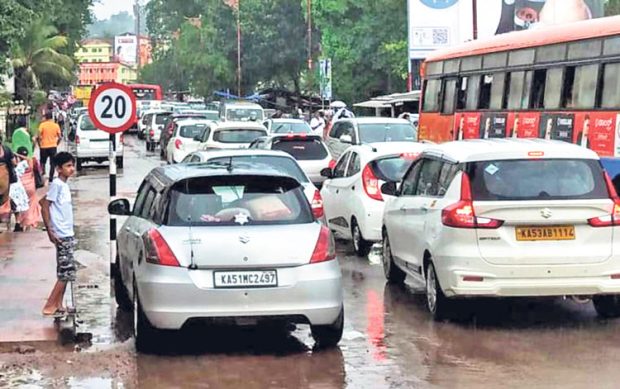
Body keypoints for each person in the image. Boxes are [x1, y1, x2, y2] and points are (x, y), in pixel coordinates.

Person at [41, 152, 76, 316]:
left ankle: (59, 304)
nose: (72, 169)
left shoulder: (64, 185)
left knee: (65, 271)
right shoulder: (57, 184)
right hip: (61, 234)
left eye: (72, 165)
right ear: (58, 169)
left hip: (67, 232)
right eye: (68, 166)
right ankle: (49, 305)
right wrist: (50, 230)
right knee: (66, 272)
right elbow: (45, 205)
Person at [15, 147, 41, 231]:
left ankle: (20, 223)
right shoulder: (31, 161)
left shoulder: (16, 163)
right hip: (31, 188)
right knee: (30, 206)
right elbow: (39, 170)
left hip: (21, 187)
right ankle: (28, 224)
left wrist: (16, 155)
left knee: (21, 205)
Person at [38, 111, 62, 184]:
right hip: (53, 147)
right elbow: (60, 137)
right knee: (52, 164)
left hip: (44, 146)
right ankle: (51, 178)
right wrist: (56, 143)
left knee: (42, 162)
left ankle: (42, 176)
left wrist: (39, 144)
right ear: (52, 117)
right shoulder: (56, 125)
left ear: (45, 117)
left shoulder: (42, 125)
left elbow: (39, 136)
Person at [0, 139, 17, 230]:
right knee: (6, 200)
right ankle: (7, 221)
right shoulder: (6, 149)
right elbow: (14, 163)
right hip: (5, 178)